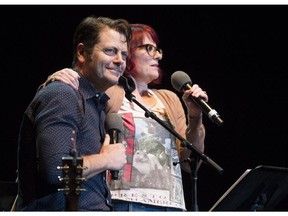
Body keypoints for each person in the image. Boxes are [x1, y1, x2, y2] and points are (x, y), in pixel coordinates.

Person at [39, 23, 208, 211]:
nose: (158, 55)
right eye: (149, 48)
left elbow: (189, 163)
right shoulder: (110, 91)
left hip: (171, 205)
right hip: (123, 202)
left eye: (158, 49)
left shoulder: (169, 99)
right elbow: (75, 95)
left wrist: (196, 117)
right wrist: (57, 78)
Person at [16, 16, 132, 211]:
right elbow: (55, 170)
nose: (120, 60)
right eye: (110, 51)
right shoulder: (62, 93)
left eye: (124, 54)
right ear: (81, 52)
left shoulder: (95, 105)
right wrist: (106, 159)